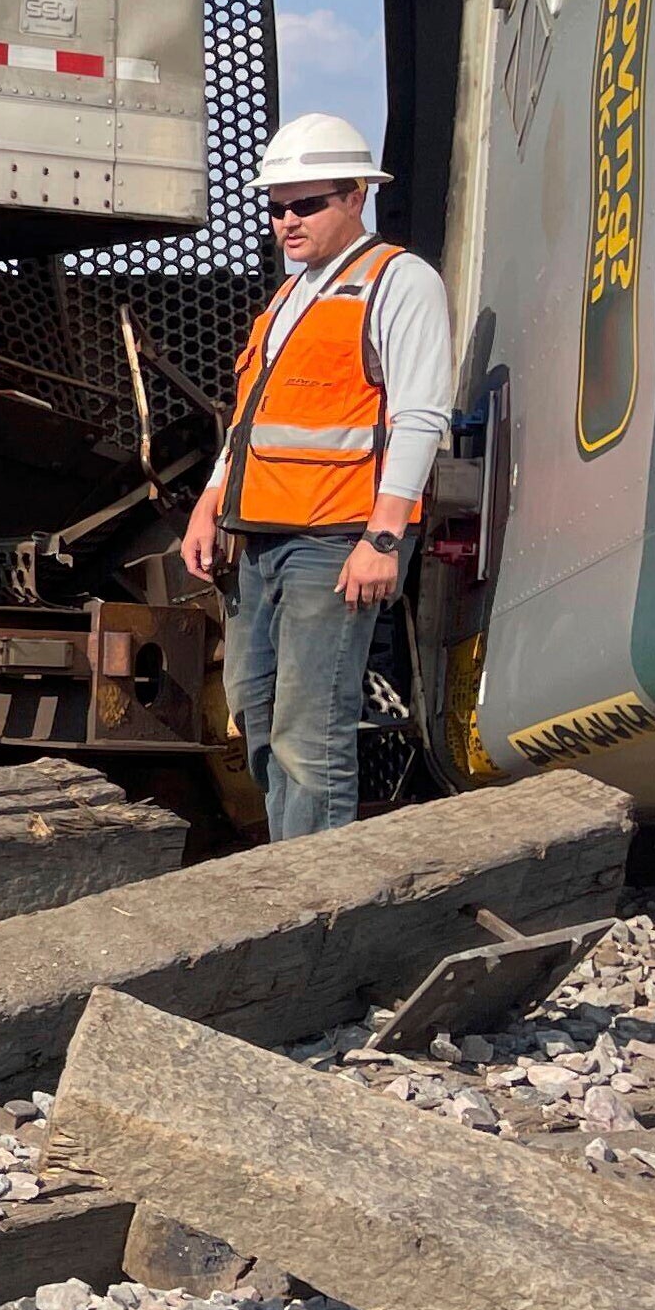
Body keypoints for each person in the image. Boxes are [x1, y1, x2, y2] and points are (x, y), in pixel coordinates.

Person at [178, 113, 454, 838]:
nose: (286, 222)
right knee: (256, 712)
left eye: (306, 204)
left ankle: (313, 899)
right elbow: (250, 422)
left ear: (356, 195)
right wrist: (210, 502)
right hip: (257, 540)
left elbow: (421, 416)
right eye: (276, 207)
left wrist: (384, 538)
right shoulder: (290, 298)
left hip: (334, 542)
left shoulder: (398, 281)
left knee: (312, 729)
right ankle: (288, 869)